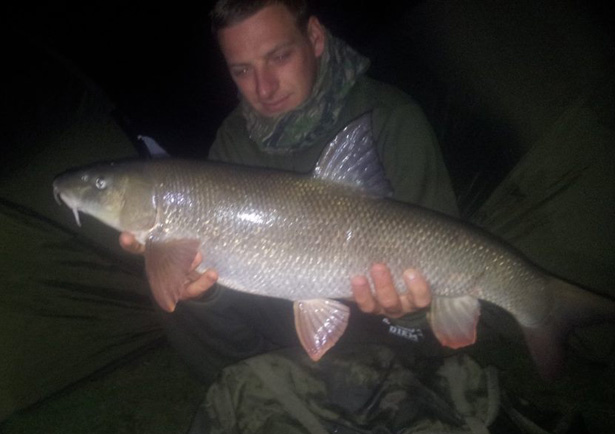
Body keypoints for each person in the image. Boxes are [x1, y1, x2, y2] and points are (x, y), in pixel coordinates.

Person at [120, 0, 458, 383]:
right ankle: (260, 394)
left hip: (377, 312)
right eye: (242, 71)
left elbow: (443, 244)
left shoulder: (390, 116)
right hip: (281, 299)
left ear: (314, 37)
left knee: (417, 333)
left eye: (279, 57)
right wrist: (202, 293)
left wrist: (408, 310)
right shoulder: (233, 139)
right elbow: (227, 281)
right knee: (177, 297)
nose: (264, 88)